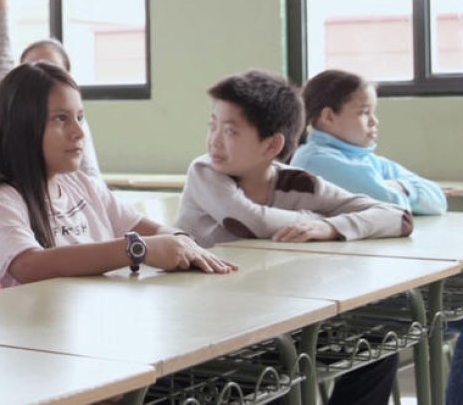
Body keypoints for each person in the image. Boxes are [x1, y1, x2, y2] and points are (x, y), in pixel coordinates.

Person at [175, 69, 412, 405]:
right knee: (278, 380)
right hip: (213, 334)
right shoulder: (205, 173)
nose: (213, 140)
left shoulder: (297, 182)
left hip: (280, 323)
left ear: (272, 144)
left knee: (381, 341)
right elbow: (250, 221)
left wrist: (331, 227)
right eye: (212, 124)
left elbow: (396, 216)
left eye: (230, 131)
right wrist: (314, 219)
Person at [0, 61, 234, 287]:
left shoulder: (82, 185)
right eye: (61, 119)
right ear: (22, 127)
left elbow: (146, 228)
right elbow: (28, 265)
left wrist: (178, 240)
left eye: (80, 117)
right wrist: (137, 249)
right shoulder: (0, 195)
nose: (78, 132)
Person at [0, 0, 101, 177]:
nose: (41, 78)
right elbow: (0, 49)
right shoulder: (10, 108)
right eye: (32, 69)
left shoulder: (75, 128)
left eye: (52, 71)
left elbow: (95, 188)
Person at [290, 69, 446, 215]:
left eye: (373, 112)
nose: (374, 121)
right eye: (364, 113)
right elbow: (392, 206)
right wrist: (400, 189)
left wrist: (400, 186)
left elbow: (438, 200)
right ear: (328, 117)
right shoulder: (315, 160)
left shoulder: (366, 158)